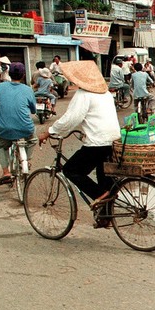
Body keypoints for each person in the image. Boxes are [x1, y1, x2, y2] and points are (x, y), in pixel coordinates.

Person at [37, 61, 120, 227]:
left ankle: (100, 195)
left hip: (97, 142)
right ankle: (105, 217)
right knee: (104, 178)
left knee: (71, 170)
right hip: (113, 140)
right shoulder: (105, 93)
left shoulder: (84, 94)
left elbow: (70, 119)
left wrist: (49, 132)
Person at [0, 62, 36, 186]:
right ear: (23, 75)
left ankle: (6, 172)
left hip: (5, 130)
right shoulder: (28, 89)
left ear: (9, 74)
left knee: (1, 146)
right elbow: (33, 110)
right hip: (25, 128)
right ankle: (27, 160)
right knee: (33, 139)